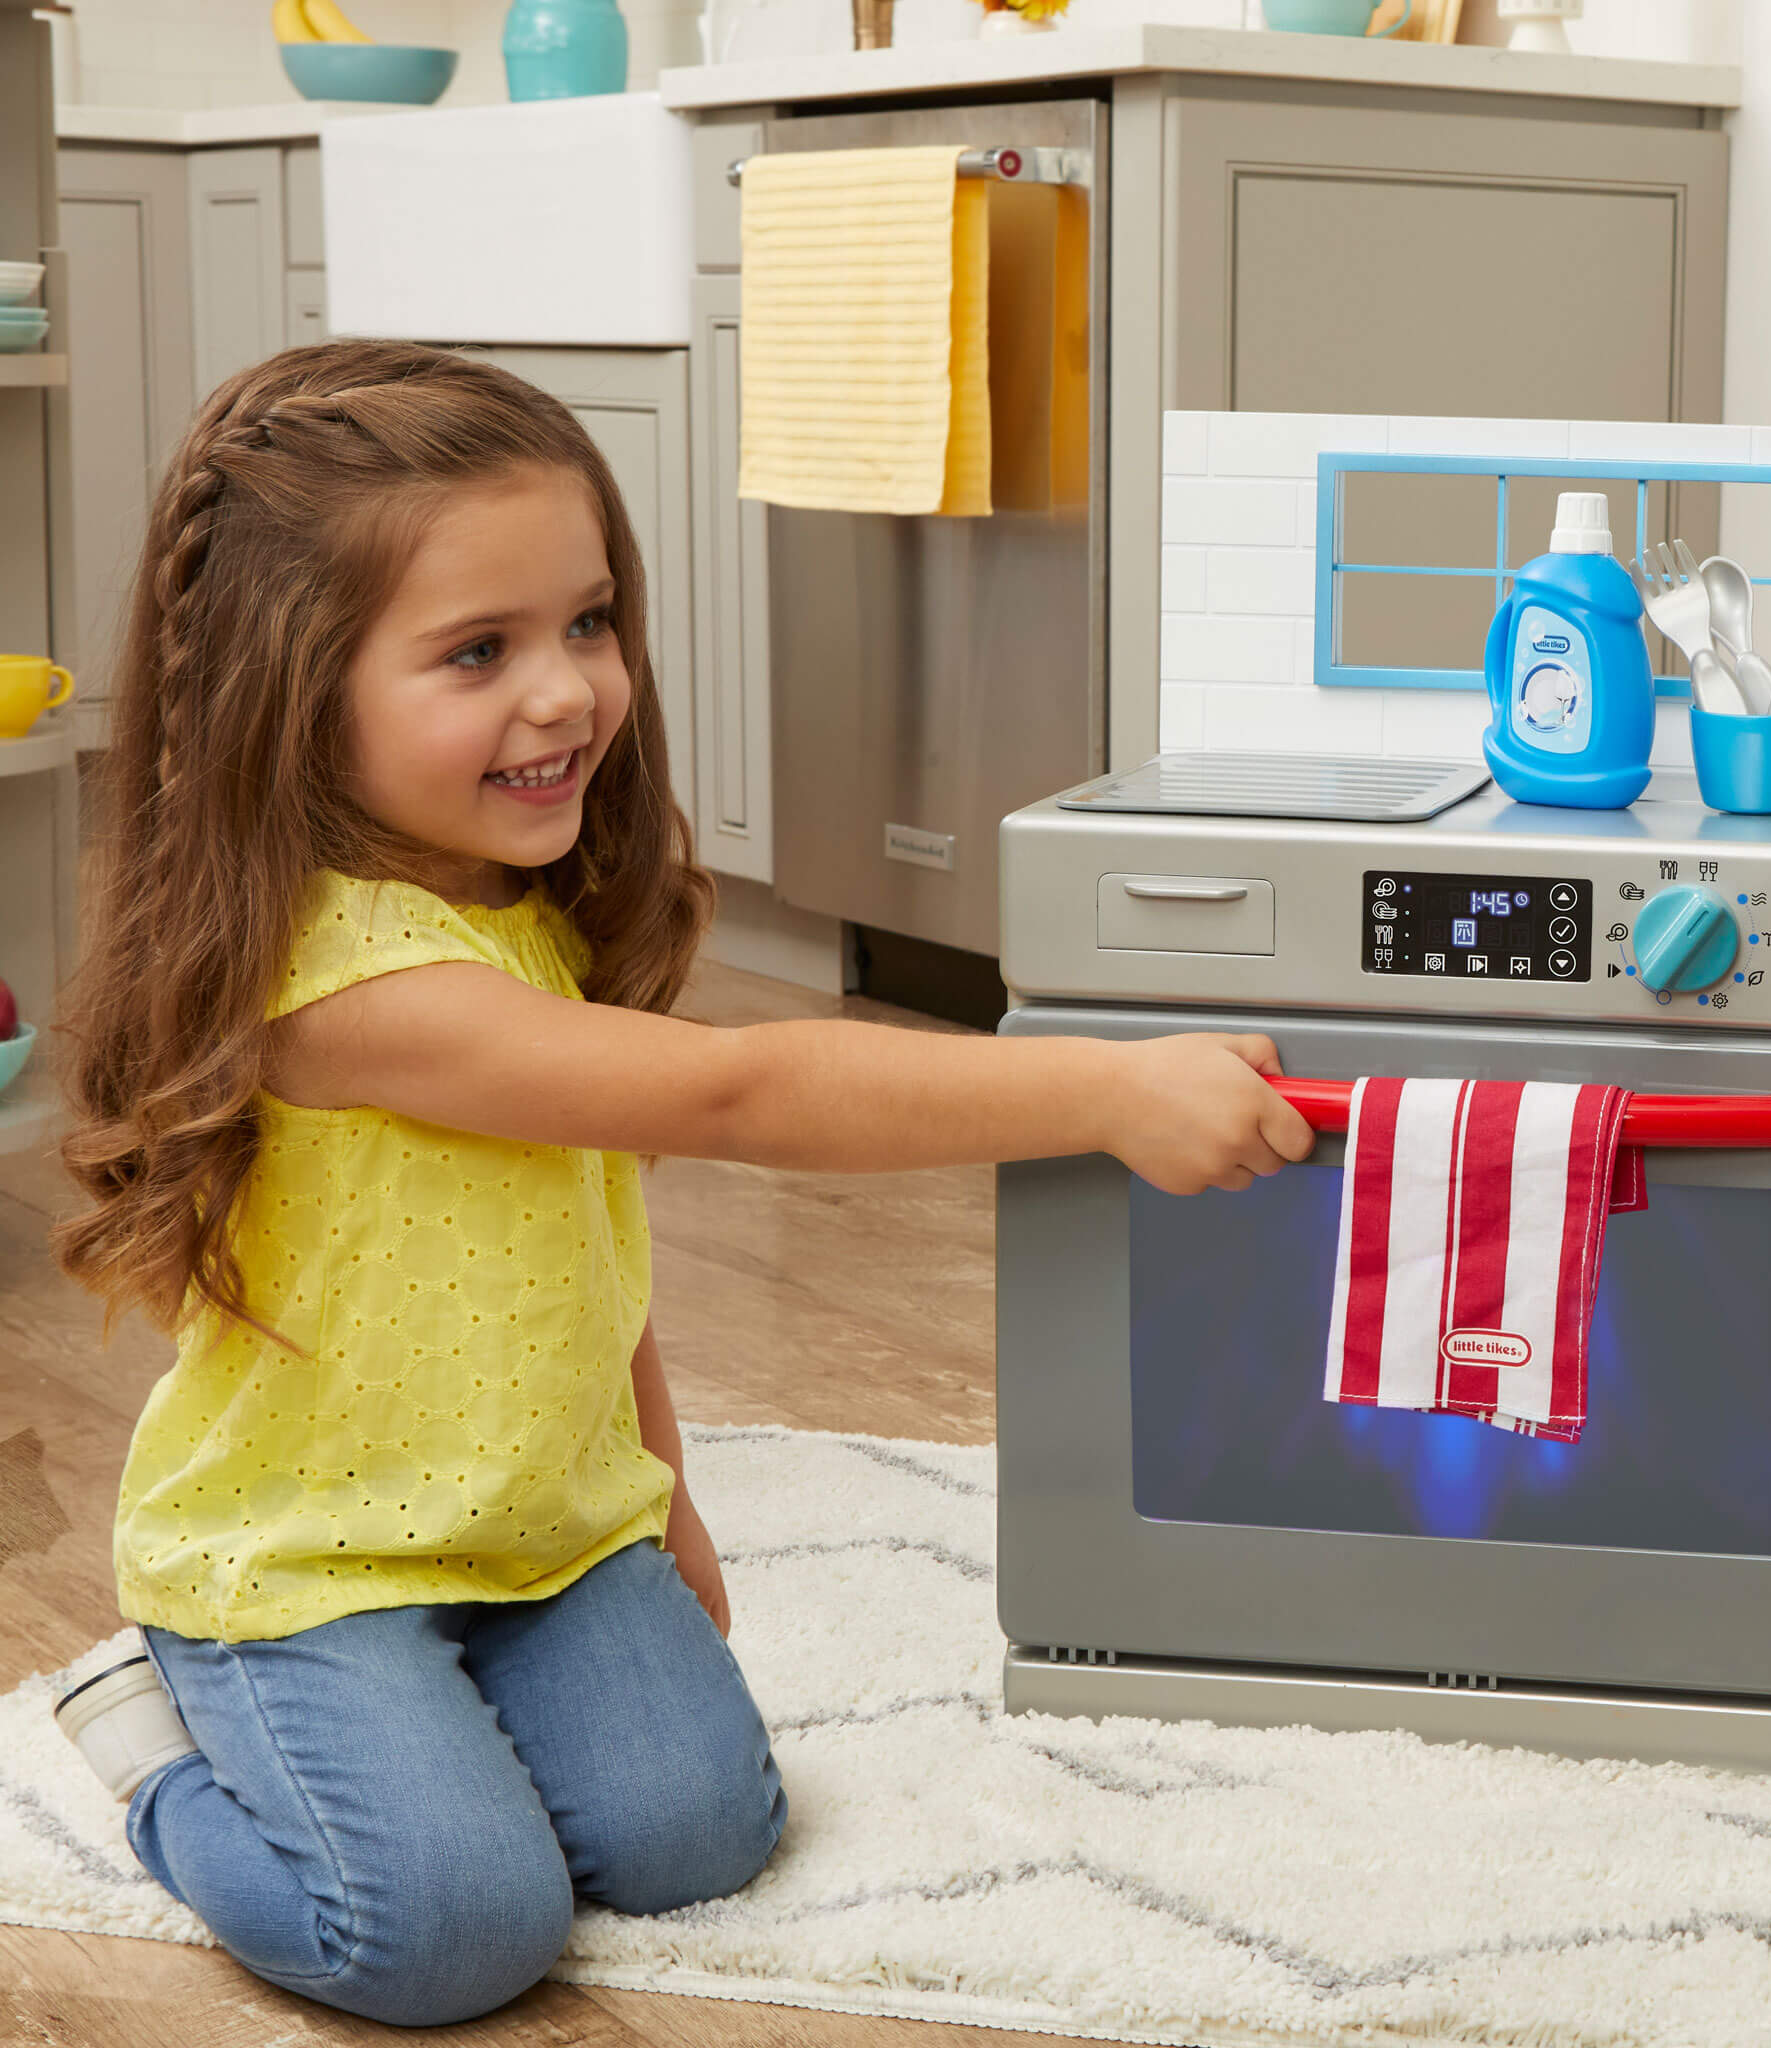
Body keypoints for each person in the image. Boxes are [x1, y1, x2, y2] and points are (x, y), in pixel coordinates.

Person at [42, 339, 1315, 2028]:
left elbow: (584, 1247)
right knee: (444, 1931)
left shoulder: (522, 909)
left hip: (540, 1535)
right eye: (478, 651)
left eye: (587, 622)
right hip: (310, 1561)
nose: (566, 689)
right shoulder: (347, 988)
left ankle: (467, 1704)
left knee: (698, 1832)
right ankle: (147, 1752)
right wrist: (1101, 1093)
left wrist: (662, 1497)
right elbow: (742, 1087)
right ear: (294, 691)